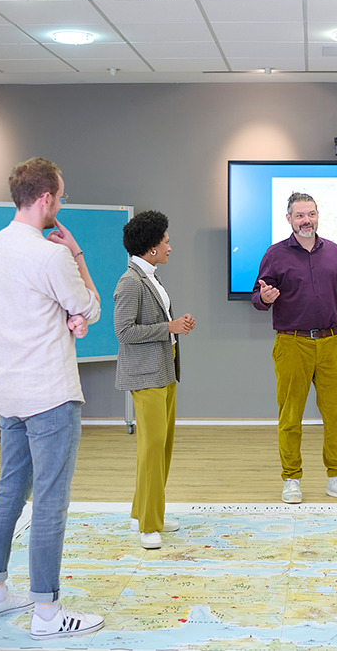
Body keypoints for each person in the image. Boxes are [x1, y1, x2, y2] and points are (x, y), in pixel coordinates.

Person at [0, 157, 105, 640]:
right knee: (50, 500)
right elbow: (88, 304)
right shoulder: (50, 255)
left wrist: (69, 317)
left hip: (8, 390)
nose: (62, 203)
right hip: (50, 391)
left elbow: (34, 308)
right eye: (62, 195)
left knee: (9, 490)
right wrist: (77, 256)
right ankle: (47, 614)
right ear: (47, 198)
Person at [251, 191, 337, 504]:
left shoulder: (334, 252)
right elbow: (257, 297)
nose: (306, 220)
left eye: (311, 214)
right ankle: (291, 479)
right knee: (290, 415)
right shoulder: (275, 254)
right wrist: (264, 298)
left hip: (332, 342)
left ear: (317, 216)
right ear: (289, 219)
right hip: (292, 343)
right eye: (300, 215)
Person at [114, 210, 195, 550]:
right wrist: (170, 328)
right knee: (151, 450)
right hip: (146, 376)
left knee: (161, 448)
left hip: (164, 371)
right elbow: (124, 331)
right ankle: (148, 524)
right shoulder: (130, 282)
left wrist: (175, 326)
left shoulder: (150, 277)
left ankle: (151, 514)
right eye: (165, 241)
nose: (169, 247)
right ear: (150, 248)